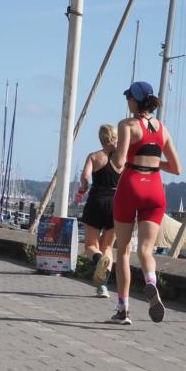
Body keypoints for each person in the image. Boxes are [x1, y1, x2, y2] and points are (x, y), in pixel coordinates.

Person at [109, 81, 181, 326]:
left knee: (123, 250)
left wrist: (112, 151)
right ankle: (151, 283)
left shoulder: (127, 125)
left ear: (134, 101)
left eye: (128, 97)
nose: (127, 102)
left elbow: (118, 163)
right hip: (154, 189)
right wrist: (152, 161)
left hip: (131, 186)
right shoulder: (163, 129)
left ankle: (123, 310)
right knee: (146, 250)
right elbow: (176, 168)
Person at [77, 124, 120, 299]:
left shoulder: (94, 157)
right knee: (108, 246)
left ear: (101, 139)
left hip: (96, 201)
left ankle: (97, 260)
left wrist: (83, 188)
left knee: (90, 246)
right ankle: (103, 287)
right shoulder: (122, 159)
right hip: (116, 203)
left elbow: (86, 177)